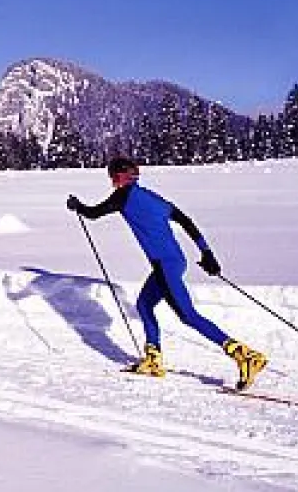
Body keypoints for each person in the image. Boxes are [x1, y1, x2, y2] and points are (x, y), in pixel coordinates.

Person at [66, 157, 267, 390]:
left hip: (165, 266)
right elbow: (185, 221)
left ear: (120, 176)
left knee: (189, 316)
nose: (113, 181)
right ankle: (153, 359)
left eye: (114, 176)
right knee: (144, 305)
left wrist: (77, 206)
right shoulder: (153, 199)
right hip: (173, 263)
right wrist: (206, 253)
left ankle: (245, 356)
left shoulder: (123, 196)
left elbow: (93, 213)